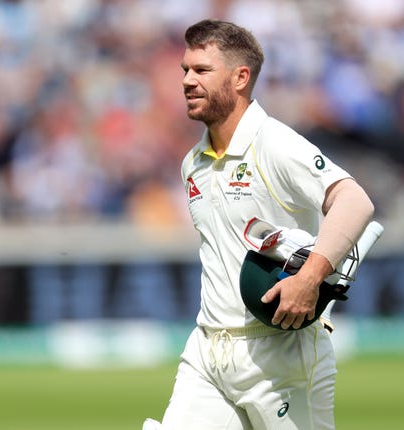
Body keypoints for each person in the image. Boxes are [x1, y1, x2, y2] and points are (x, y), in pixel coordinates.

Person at [145, 19, 374, 430]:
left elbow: (355, 201)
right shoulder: (192, 164)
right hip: (208, 352)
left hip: (280, 353)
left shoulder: (274, 144)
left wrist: (309, 279)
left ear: (240, 77)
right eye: (185, 70)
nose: (187, 81)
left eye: (201, 71)